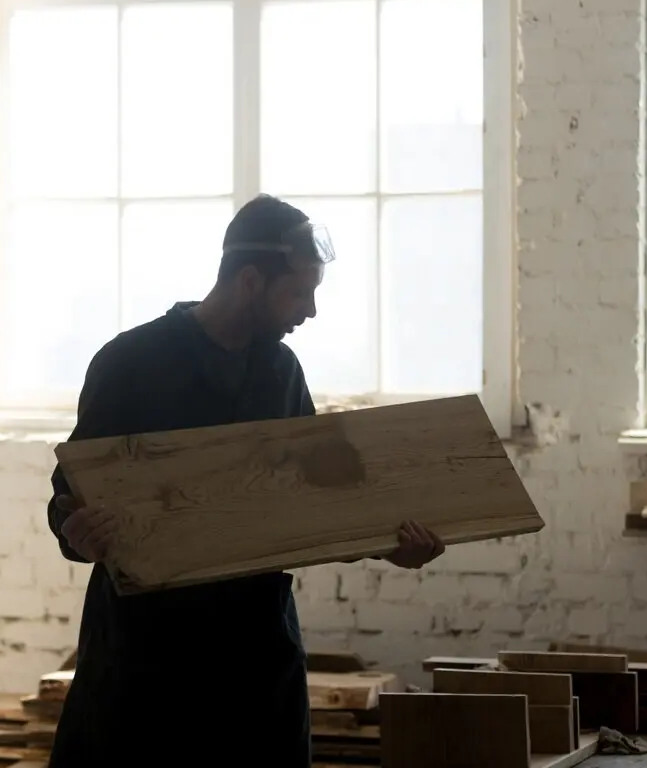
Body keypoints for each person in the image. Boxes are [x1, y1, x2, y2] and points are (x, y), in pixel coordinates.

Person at [45, 194, 447, 767]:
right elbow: (68, 497)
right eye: (300, 292)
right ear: (252, 281)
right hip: (146, 651)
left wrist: (389, 545)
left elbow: (312, 506)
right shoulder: (131, 362)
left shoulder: (281, 373)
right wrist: (77, 532)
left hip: (255, 650)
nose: (309, 311)